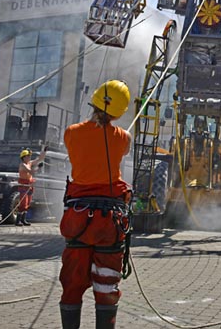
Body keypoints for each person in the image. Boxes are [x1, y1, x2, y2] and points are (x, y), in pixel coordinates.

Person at [59, 80, 133, 329]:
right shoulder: (123, 137)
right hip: (109, 222)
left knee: (72, 282)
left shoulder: (71, 132)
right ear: (119, 112)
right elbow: (121, 148)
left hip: (78, 218)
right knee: (107, 282)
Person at [16, 146, 47, 226]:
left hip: (29, 185)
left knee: (28, 202)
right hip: (23, 185)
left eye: (30, 156)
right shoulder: (23, 165)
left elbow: (39, 159)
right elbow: (31, 172)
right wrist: (38, 168)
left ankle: (23, 220)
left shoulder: (29, 163)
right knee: (23, 202)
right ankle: (18, 220)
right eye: (28, 156)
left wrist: (44, 151)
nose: (29, 157)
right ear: (24, 157)